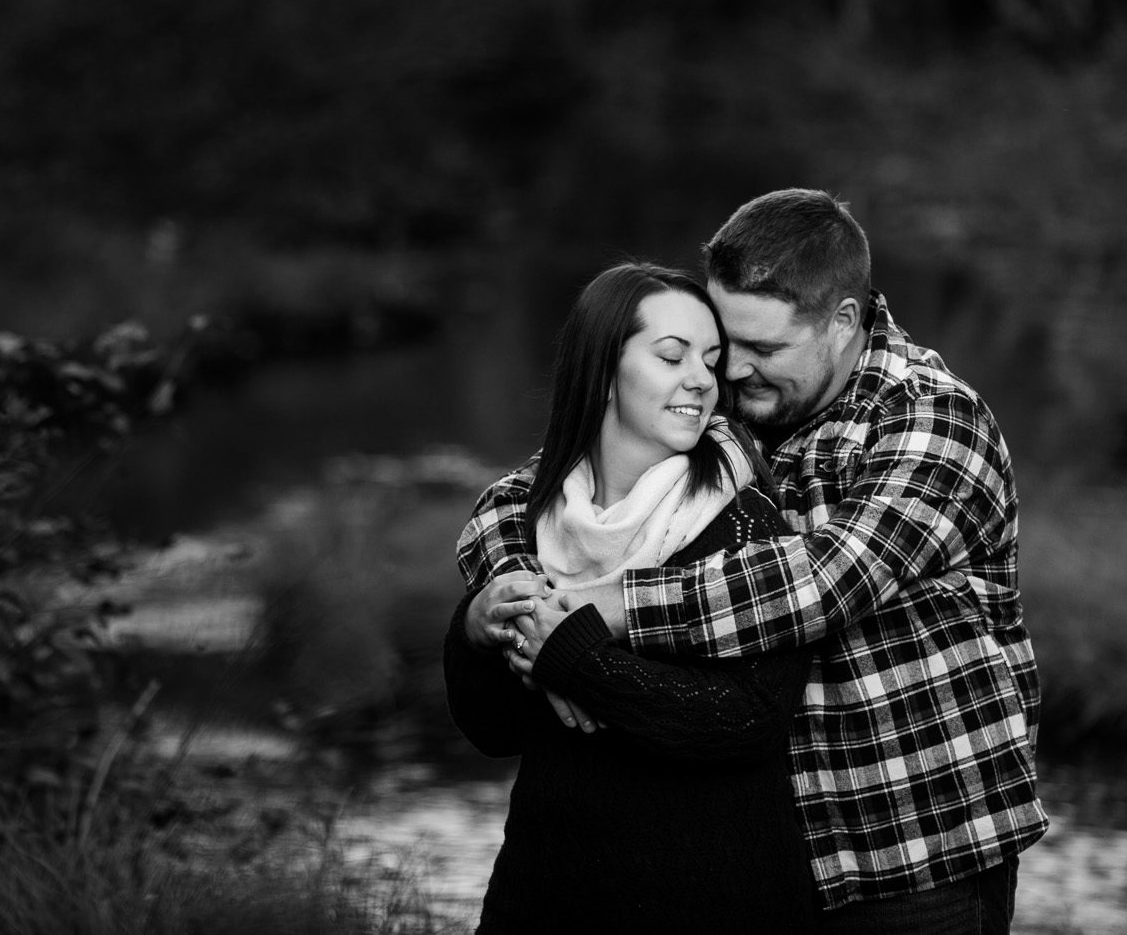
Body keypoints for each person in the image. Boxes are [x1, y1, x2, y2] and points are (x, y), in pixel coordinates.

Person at [459, 190, 1046, 933]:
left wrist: (604, 609)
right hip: (779, 859)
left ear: (842, 323)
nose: (731, 370)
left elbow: (824, 582)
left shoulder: (933, 417)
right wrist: (519, 595)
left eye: (764, 349)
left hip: (916, 851)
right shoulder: (733, 398)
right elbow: (521, 493)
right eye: (722, 341)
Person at [442, 261, 821, 933]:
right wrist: (474, 629)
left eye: (710, 359)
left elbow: (750, 720)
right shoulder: (530, 519)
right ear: (603, 370)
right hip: (546, 893)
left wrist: (581, 662)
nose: (703, 380)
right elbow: (494, 729)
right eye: (672, 355)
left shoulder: (743, 521)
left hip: (710, 900)